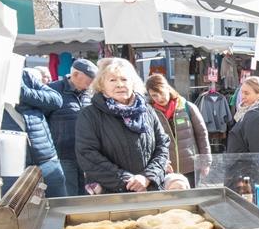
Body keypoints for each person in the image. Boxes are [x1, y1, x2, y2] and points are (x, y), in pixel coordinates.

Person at [75, 58, 169, 194]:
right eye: (112, 80)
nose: (119, 85)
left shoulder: (147, 110)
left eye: (124, 79)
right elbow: (87, 155)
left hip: (150, 189)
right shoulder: (89, 115)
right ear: (101, 85)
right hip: (111, 195)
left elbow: (163, 145)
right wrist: (128, 180)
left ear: (133, 83)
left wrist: (147, 177)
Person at [0, 68, 66, 197]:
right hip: (10, 166)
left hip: (46, 159)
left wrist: (23, 93)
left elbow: (56, 100)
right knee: (17, 211)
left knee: (58, 205)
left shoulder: (23, 75)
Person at [146, 73, 212, 188]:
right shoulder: (149, 113)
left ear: (167, 88)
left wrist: (205, 162)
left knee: (191, 200)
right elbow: (148, 142)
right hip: (165, 169)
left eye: (161, 92)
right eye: (154, 95)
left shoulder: (187, 107)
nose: (159, 98)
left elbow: (202, 135)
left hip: (191, 167)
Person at [47, 58, 96, 195]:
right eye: (88, 81)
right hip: (63, 155)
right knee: (69, 195)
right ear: (75, 75)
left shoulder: (88, 94)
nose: (90, 85)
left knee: (86, 195)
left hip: (86, 156)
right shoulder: (53, 91)